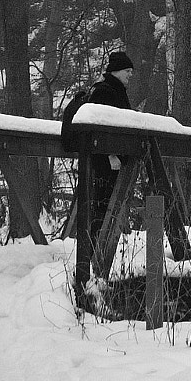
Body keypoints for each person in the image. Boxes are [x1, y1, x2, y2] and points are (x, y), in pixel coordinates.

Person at [61, 51, 135, 255]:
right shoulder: (106, 91)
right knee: (102, 205)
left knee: (105, 205)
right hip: (105, 161)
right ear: (117, 71)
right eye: (127, 71)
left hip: (109, 160)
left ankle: (97, 249)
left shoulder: (112, 89)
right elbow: (101, 127)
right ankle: (95, 252)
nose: (130, 75)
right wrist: (111, 155)